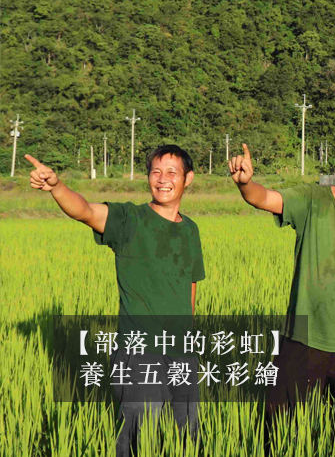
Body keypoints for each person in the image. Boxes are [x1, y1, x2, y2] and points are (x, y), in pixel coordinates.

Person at [26, 146, 205, 457]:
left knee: (186, 435)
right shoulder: (130, 219)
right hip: (140, 353)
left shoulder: (191, 230)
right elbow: (85, 210)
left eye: (172, 173)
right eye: (155, 172)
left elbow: (189, 286)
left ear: (188, 179)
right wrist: (57, 187)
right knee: (140, 437)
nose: (162, 180)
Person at [228, 132, 335, 419]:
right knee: (282, 425)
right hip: (303, 336)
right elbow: (266, 198)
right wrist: (246, 184)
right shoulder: (312, 199)